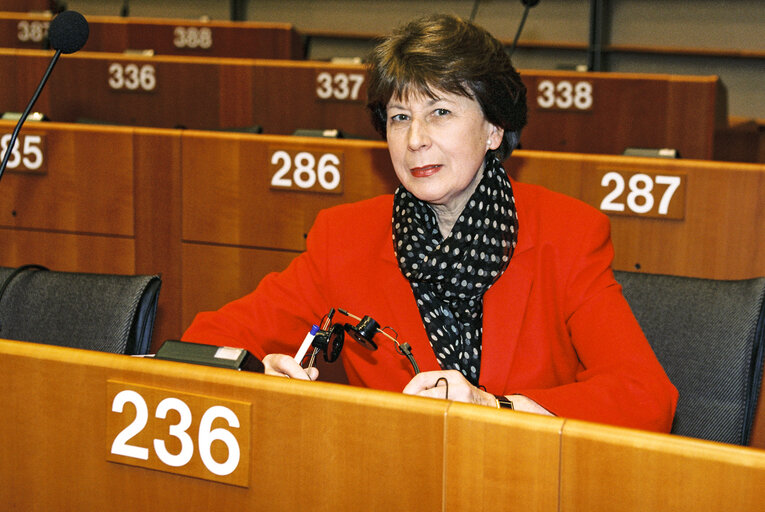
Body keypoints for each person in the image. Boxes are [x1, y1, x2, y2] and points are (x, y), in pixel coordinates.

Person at [182, 13, 677, 432]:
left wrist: (496, 408)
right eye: (399, 117)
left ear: (493, 129)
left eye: (439, 111)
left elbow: (645, 395)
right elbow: (204, 341)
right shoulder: (344, 239)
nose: (415, 138)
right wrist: (255, 371)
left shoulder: (567, 234)